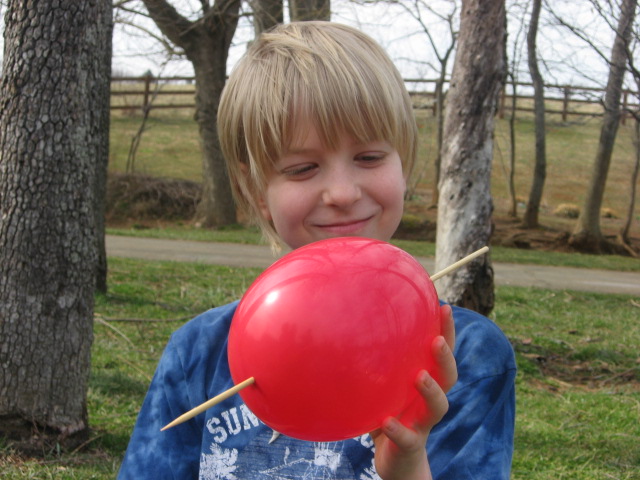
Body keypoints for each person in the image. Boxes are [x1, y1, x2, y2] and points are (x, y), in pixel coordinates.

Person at [118, 21, 516, 480]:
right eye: (303, 168)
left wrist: (407, 466)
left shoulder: (465, 358)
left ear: (403, 162)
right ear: (255, 190)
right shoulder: (199, 354)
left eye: (369, 157)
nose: (343, 193)